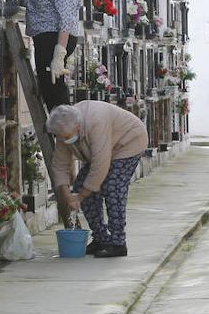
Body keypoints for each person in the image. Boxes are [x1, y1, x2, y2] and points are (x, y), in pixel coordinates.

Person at [47, 101, 148, 257]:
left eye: (66, 137)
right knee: (81, 184)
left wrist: (79, 197)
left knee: (112, 186)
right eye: (60, 137)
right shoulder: (64, 129)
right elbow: (59, 165)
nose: (63, 140)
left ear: (78, 127)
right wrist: (67, 195)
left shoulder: (96, 120)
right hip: (105, 150)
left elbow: (100, 165)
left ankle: (118, 242)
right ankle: (101, 238)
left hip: (128, 142)